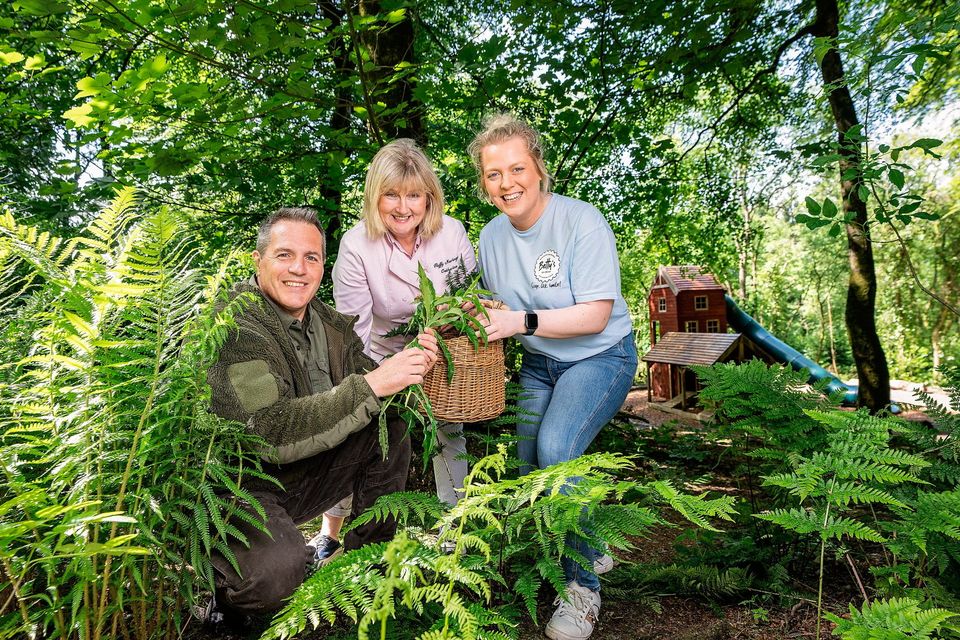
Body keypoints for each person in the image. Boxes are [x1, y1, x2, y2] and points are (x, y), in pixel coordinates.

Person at [206, 207, 438, 621]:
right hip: (238, 488)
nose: (299, 268)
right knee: (276, 580)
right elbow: (268, 431)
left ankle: (366, 563)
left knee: (393, 419)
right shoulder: (236, 326)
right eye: (284, 255)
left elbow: (377, 387)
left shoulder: (330, 325)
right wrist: (373, 384)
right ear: (258, 261)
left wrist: (413, 364)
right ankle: (219, 594)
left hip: (301, 475)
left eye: (311, 257)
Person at [467, 116, 637, 640]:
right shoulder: (490, 237)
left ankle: (581, 589)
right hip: (539, 363)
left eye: (517, 168)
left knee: (557, 451)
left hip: (600, 356)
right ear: (483, 183)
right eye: (493, 174)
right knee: (525, 467)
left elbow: (594, 314)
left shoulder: (582, 222)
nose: (506, 183)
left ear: (539, 169)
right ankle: (588, 543)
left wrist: (518, 322)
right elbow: (494, 302)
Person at [312, 139, 477, 561]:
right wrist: (379, 382)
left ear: (429, 197)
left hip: (442, 352)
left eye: (414, 195)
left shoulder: (452, 233)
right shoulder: (355, 245)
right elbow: (354, 332)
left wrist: (443, 338)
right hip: (377, 354)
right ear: (374, 196)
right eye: (391, 194)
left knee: (449, 434)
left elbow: (468, 302)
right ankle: (332, 534)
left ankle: (452, 535)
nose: (403, 207)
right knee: (364, 435)